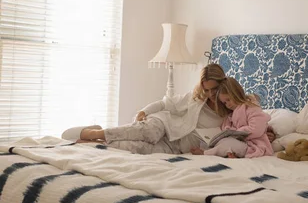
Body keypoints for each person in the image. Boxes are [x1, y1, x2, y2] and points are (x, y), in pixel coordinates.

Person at [62, 64, 229, 155]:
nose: (210, 94)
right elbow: (166, 103)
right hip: (165, 125)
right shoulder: (195, 98)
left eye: (214, 89)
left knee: (135, 149)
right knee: (148, 132)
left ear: (223, 83)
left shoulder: (231, 109)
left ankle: (95, 143)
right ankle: (94, 133)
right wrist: (144, 111)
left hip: (176, 147)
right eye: (206, 89)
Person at [191, 77, 274, 158]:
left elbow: (257, 129)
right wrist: (227, 132)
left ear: (236, 93)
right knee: (223, 142)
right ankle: (231, 153)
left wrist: (236, 132)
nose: (228, 104)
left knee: (229, 144)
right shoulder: (230, 115)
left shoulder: (251, 107)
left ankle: (206, 153)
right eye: (225, 103)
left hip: (254, 144)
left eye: (229, 99)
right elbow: (225, 129)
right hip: (239, 142)